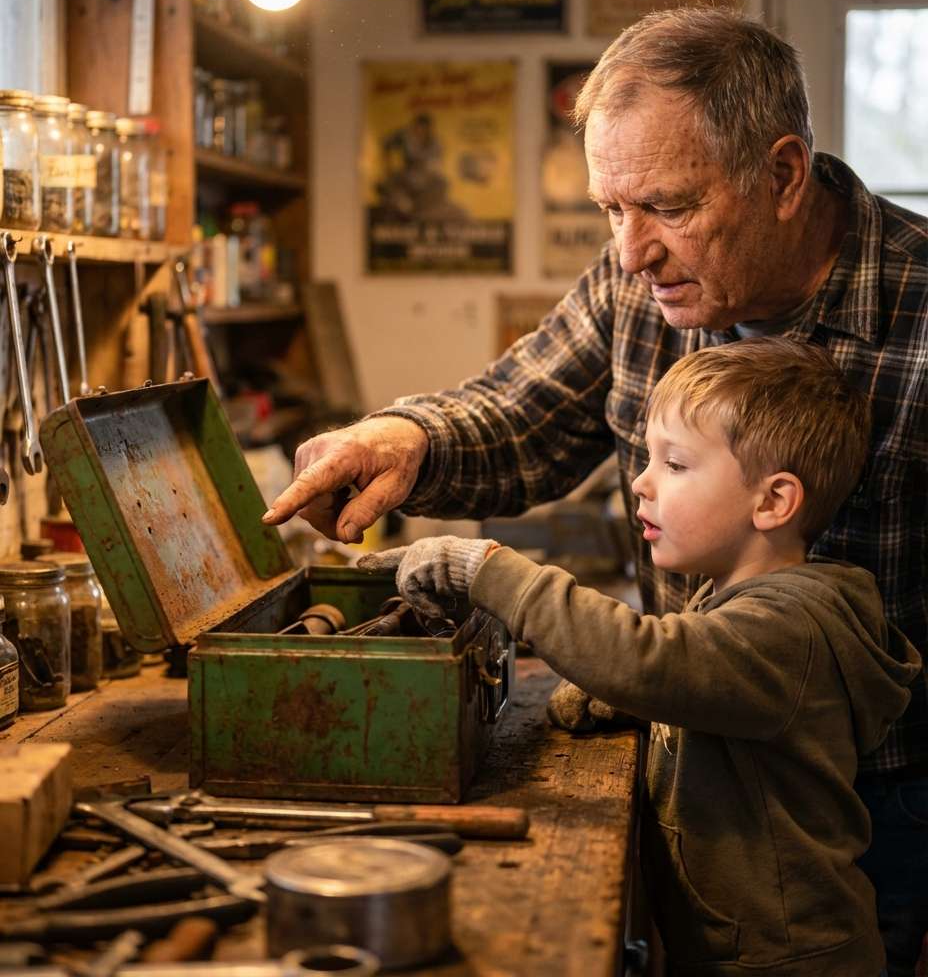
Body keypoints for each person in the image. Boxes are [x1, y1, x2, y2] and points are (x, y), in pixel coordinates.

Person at [263, 6, 928, 973]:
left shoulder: (918, 305)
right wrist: (404, 437)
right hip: (694, 772)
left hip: (886, 803)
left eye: (667, 206)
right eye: (612, 209)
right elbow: (520, 413)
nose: (631, 251)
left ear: (783, 174)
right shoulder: (641, 286)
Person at [357, 338, 921, 976]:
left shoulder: (788, 626)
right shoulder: (736, 600)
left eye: (675, 465)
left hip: (788, 961)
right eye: (648, 459)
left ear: (772, 502)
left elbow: (650, 660)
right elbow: (686, 677)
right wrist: (625, 697)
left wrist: (485, 570)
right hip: (732, 947)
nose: (641, 482)